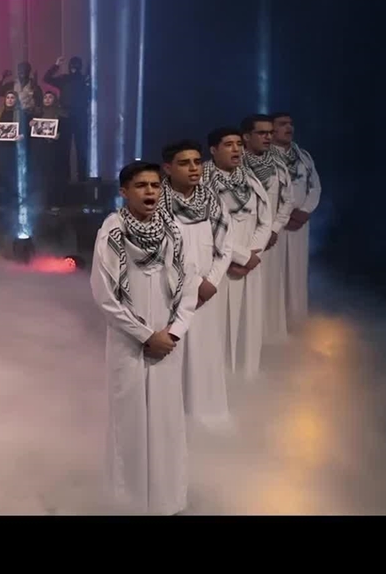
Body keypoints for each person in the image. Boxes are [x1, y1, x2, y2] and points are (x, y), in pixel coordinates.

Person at [90, 160, 195, 515]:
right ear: (124, 192)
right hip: (128, 342)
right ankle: (129, 503)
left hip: (168, 342)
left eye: (154, 185)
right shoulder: (112, 233)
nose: (150, 191)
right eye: (141, 186)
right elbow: (105, 296)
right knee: (129, 422)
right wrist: (145, 335)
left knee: (166, 421)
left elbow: (189, 287)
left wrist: (173, 332)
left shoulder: (174, 231)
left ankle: (167, 500)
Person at [161, 140, 235, 430]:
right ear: (168, 168)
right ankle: (172, 421)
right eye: (184, 163)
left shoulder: (212, 201)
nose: (194, 168)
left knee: (205, 355)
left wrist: (212, 281)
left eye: (196, 162)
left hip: (205, 294)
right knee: (173, 355)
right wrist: (192, 286)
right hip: (169, 293)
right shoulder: (157, 204)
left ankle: (206, 417)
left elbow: (225, 247)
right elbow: (161, 254)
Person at [202, 127, 272, 381]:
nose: (236, 149)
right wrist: (240, 256)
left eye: (238, 144)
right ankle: (218, 380)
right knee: (216, 324)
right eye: (229, 144)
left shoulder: (250, 180)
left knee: (247, 322)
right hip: (218, 263)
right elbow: (208, 227)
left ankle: (246, 376)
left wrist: (253, 254)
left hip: (249, 264)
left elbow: (265, 220)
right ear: (213, 150)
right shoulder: (202, 183)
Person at [240, 114, 293, 345]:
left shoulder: (278, 165)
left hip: (269, 240)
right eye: (262, 133)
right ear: (246, 136)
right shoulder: (236, 165)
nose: (268, 137)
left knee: (270, 289)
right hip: (241, 241)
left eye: (270, 133)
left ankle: (269, 339)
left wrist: (274, 229)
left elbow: (287, 200)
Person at [271, 112, 321, 328]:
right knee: (275, 272)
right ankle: (274, 325)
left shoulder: (303, 156)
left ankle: (296, 322)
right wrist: (283, 214)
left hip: (299, 223)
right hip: (273, 223)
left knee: (297, 272)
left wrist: (305, 211)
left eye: (290, 124)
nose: (289, 127)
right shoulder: (263, 157)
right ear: (271, 129)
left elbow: (315, 186)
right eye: (283, 124)